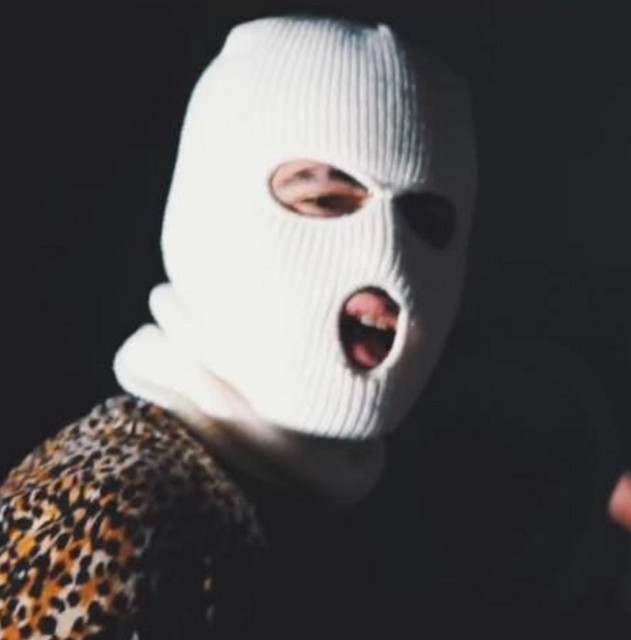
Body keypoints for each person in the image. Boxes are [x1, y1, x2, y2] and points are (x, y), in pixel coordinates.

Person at [0, 15, 476, 638]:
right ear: (212, 213)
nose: (393, 257)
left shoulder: (331, 524)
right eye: (325, 199)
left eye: (427, 220)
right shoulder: (118, 515)